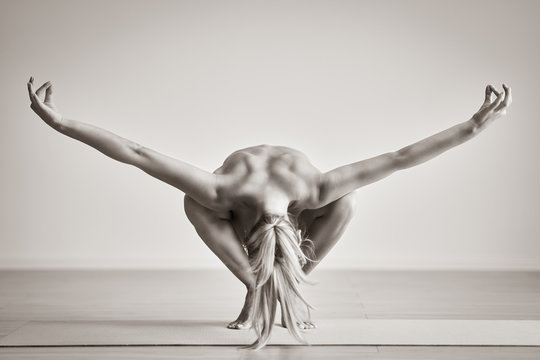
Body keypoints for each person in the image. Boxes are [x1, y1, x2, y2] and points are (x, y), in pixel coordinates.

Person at [26, 77, 512, 349]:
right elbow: (401, 158)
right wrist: (470, 127)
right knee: (190, 200)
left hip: (281, 206)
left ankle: (272, 288)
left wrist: (473, 127)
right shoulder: (220, 192)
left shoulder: (316, 191)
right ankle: (263, 287)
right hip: (253, 203)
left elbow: (135, 153)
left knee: (350, 199)